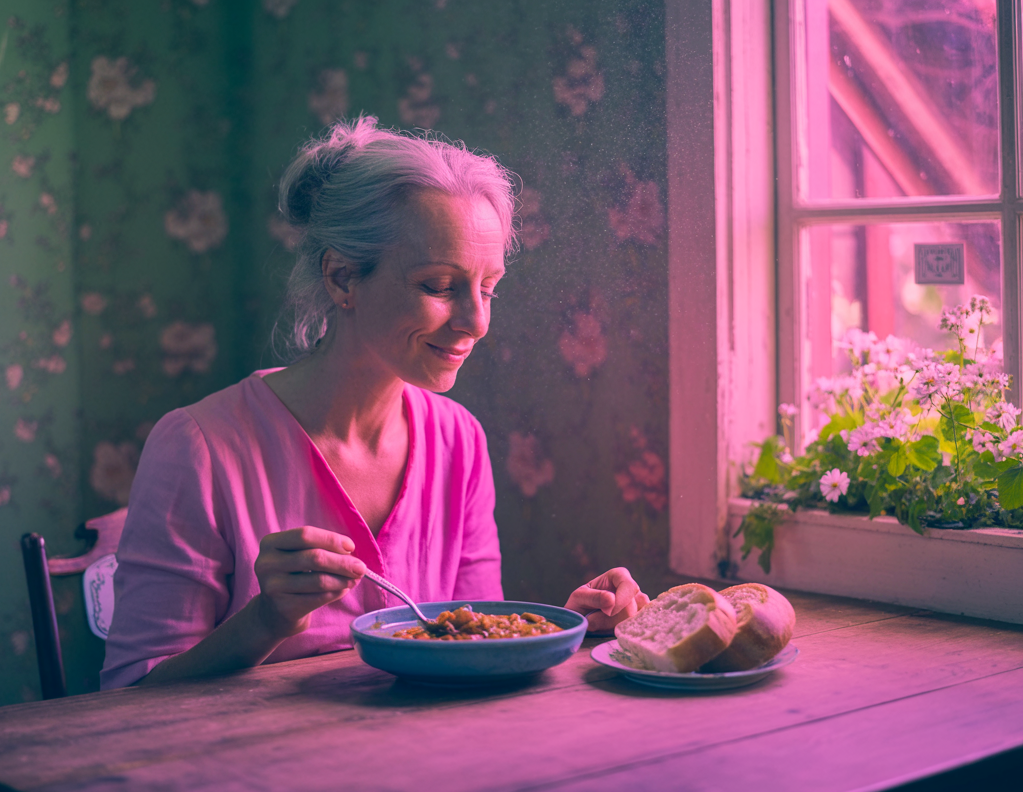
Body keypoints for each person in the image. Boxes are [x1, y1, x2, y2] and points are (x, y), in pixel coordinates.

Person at [100, 117, 648, 690]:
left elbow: (470, 646)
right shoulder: (199, 449)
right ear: (342, 278)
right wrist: (266, 620)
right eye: (439, 286)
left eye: (488, 288)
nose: (476, 322)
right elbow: (127, 696)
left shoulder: (458, 441)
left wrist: (576, 629)